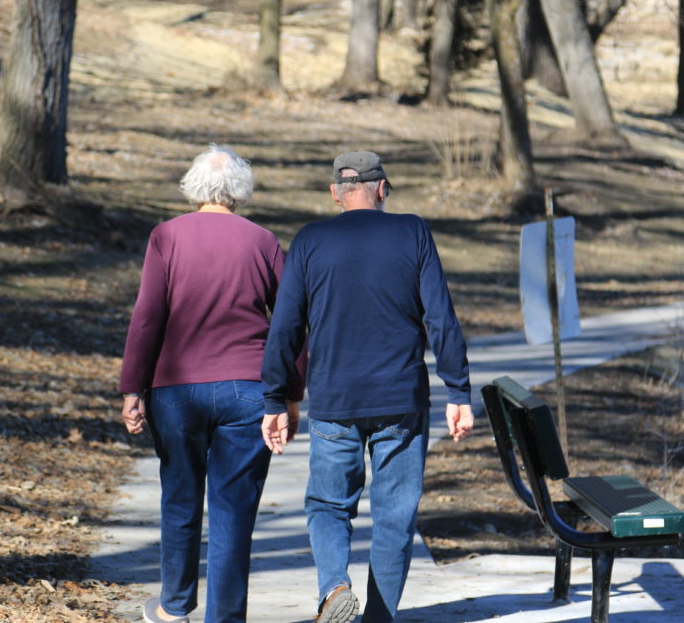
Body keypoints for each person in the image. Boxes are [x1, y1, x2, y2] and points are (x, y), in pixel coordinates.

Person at [260, 150, 473, 623]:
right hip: (401, 400)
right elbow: (440, 317)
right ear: (382, 188)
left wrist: (277, 397)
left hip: (335, 400)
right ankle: (379, 617)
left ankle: (335, 586)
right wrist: (458, 391)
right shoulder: (412, 231)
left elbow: (287, 328)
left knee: (329, 505)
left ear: (335, 192)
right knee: (395, 517)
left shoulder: (311, 240)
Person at [120, 144, 303, 623]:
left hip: (176, 389)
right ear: (239, 191)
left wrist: (133, 388)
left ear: (194, 187)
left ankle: (174, 607)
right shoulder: (262, 241)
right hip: (249, 388)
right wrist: (290, 394)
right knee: (233, 509)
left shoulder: (167, 236)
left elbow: (147, 317)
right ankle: (224, 619)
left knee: (180, 496)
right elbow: (290, 322)